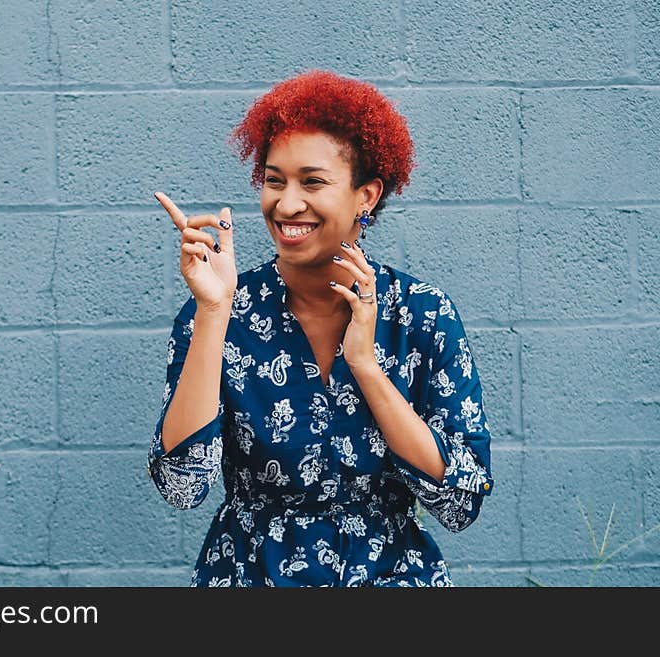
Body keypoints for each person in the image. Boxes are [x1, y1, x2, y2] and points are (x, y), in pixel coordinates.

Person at [147, 69, 494, 587]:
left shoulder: (421, 316)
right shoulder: (217, 311)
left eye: (313, 181)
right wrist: (214, 312)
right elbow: (181, 485)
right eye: (273, 180)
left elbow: (460, 500)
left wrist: (366, 368)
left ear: (366, 196)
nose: (286, 204)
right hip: (249, 576)